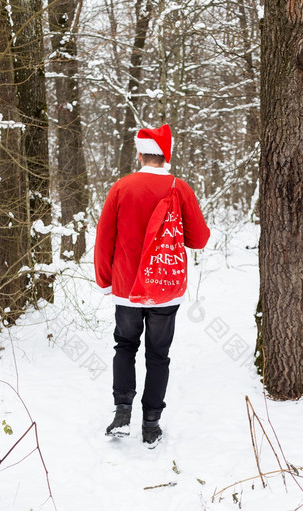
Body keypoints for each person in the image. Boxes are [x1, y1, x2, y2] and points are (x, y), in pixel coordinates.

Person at [94, 124, 210, 447]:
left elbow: (104, 240)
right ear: (165, 155)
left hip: (128, 290)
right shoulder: (179, 188)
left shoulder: (121, 188)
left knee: (125, 346)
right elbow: (199, 239)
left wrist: (106, 280)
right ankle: (151, 425)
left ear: (141, 153)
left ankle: (121, 412)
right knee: (158, 355)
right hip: (164, 288)